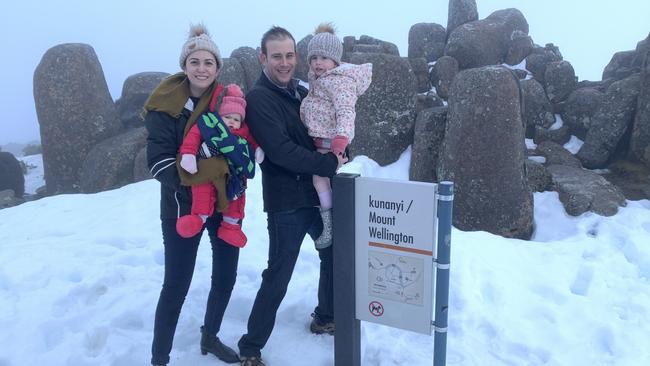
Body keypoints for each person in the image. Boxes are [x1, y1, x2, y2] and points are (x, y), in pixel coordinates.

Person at [236, 26, 347, 366]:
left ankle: (326, 315)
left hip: (316, 194)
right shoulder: (259, 98)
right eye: (276, 56)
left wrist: (339, 145)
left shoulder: (302, 91)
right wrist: (327, 162)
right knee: (280, 273)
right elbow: (281, 150)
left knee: (333, 254)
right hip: (287, 202)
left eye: (288, 55)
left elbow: (322, 128)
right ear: (263, 58)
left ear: (296, 57)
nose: (284, 63)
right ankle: (250, 347)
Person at [143, 23, 240, 366]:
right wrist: (195, 181)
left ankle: (210, 337)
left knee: (226, 275)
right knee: (176, 286)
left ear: (217, 67)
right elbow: (157, 160)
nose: (202, 68)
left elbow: (240, 142)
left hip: (223, 202)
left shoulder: (228, 101)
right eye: (195, 61)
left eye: (209, 63)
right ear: (185, 65)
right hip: (181, 206)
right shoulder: (165, 103)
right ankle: (159, 357)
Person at [300, 23, 372, 249]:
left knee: (319, 179)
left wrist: (341, 138)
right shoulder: (320, 79)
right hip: (319, 139)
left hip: (330, 141)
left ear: (335, 60)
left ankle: (329, 223)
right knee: (322, 181)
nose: (317, 63)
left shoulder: (339, 81)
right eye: (313, 58)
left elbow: (345, 110)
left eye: (323, 58)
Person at [177, 83, 263, 248]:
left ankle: (231, 225)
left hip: (235, 175)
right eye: (227, 117)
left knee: (237, 197)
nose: (232, 122)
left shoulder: (244, 132)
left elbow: (252, 142)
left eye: (236, 119)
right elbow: (194, 136)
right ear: (220, 116)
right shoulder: (210, 126)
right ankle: (198, 218)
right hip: (209, 171)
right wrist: (188, 154)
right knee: (202, 188)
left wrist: (258, 150)